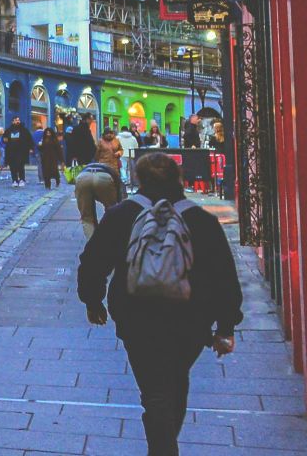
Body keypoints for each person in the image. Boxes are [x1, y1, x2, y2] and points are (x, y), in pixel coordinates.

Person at [79, 154, 243, 456]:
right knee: (175, 380)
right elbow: (224, 275)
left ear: (139, 179)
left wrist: (93, 300)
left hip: (136, 316)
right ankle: (165, 445)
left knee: (154, 388)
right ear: (177, 178)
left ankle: (162, 448)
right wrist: (226, 326)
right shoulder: (201, 219)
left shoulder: (120, 215)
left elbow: (92, 261)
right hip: (191, 318)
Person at [73, 153, 124, 239]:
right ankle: (111, 239)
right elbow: (120, 197)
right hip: (104, 178)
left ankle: (92, 245)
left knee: (87, 217)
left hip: (83, 177)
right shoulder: (113, 171)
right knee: (112, 212)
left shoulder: (90, 166)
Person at [2, 117, 33, 187]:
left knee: (21, 166)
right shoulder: (8, 130)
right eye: (16, 120)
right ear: (12, 122)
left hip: (21, 152)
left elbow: (29, 139)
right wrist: (5, 140)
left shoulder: (24, 130)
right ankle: (14, 180)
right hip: (11, 152)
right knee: (12, 167)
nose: (17, 121)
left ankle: (22, 179)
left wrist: (31, 148)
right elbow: (4, 138)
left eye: (18, 120)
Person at [38, 118, 65, 189]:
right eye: (47, 133)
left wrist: (61, 160)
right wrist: (39, 146)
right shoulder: (43, 140)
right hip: (45, 158)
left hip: (53, 158)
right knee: (46, 172)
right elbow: (41, 149)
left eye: (49, 133)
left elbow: (59, 150)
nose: (48, 134)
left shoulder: (54, 140)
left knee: (54, 171)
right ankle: (47, 184)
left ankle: (57, 180)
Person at [119, 124, 142, 189]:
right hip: (130, 154)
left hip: (122, 154)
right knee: (129, 169)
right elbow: (136, 147)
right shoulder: (133, 137)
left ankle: (124, 180)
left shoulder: (118, 137)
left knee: (122, 168)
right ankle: (129, 181)